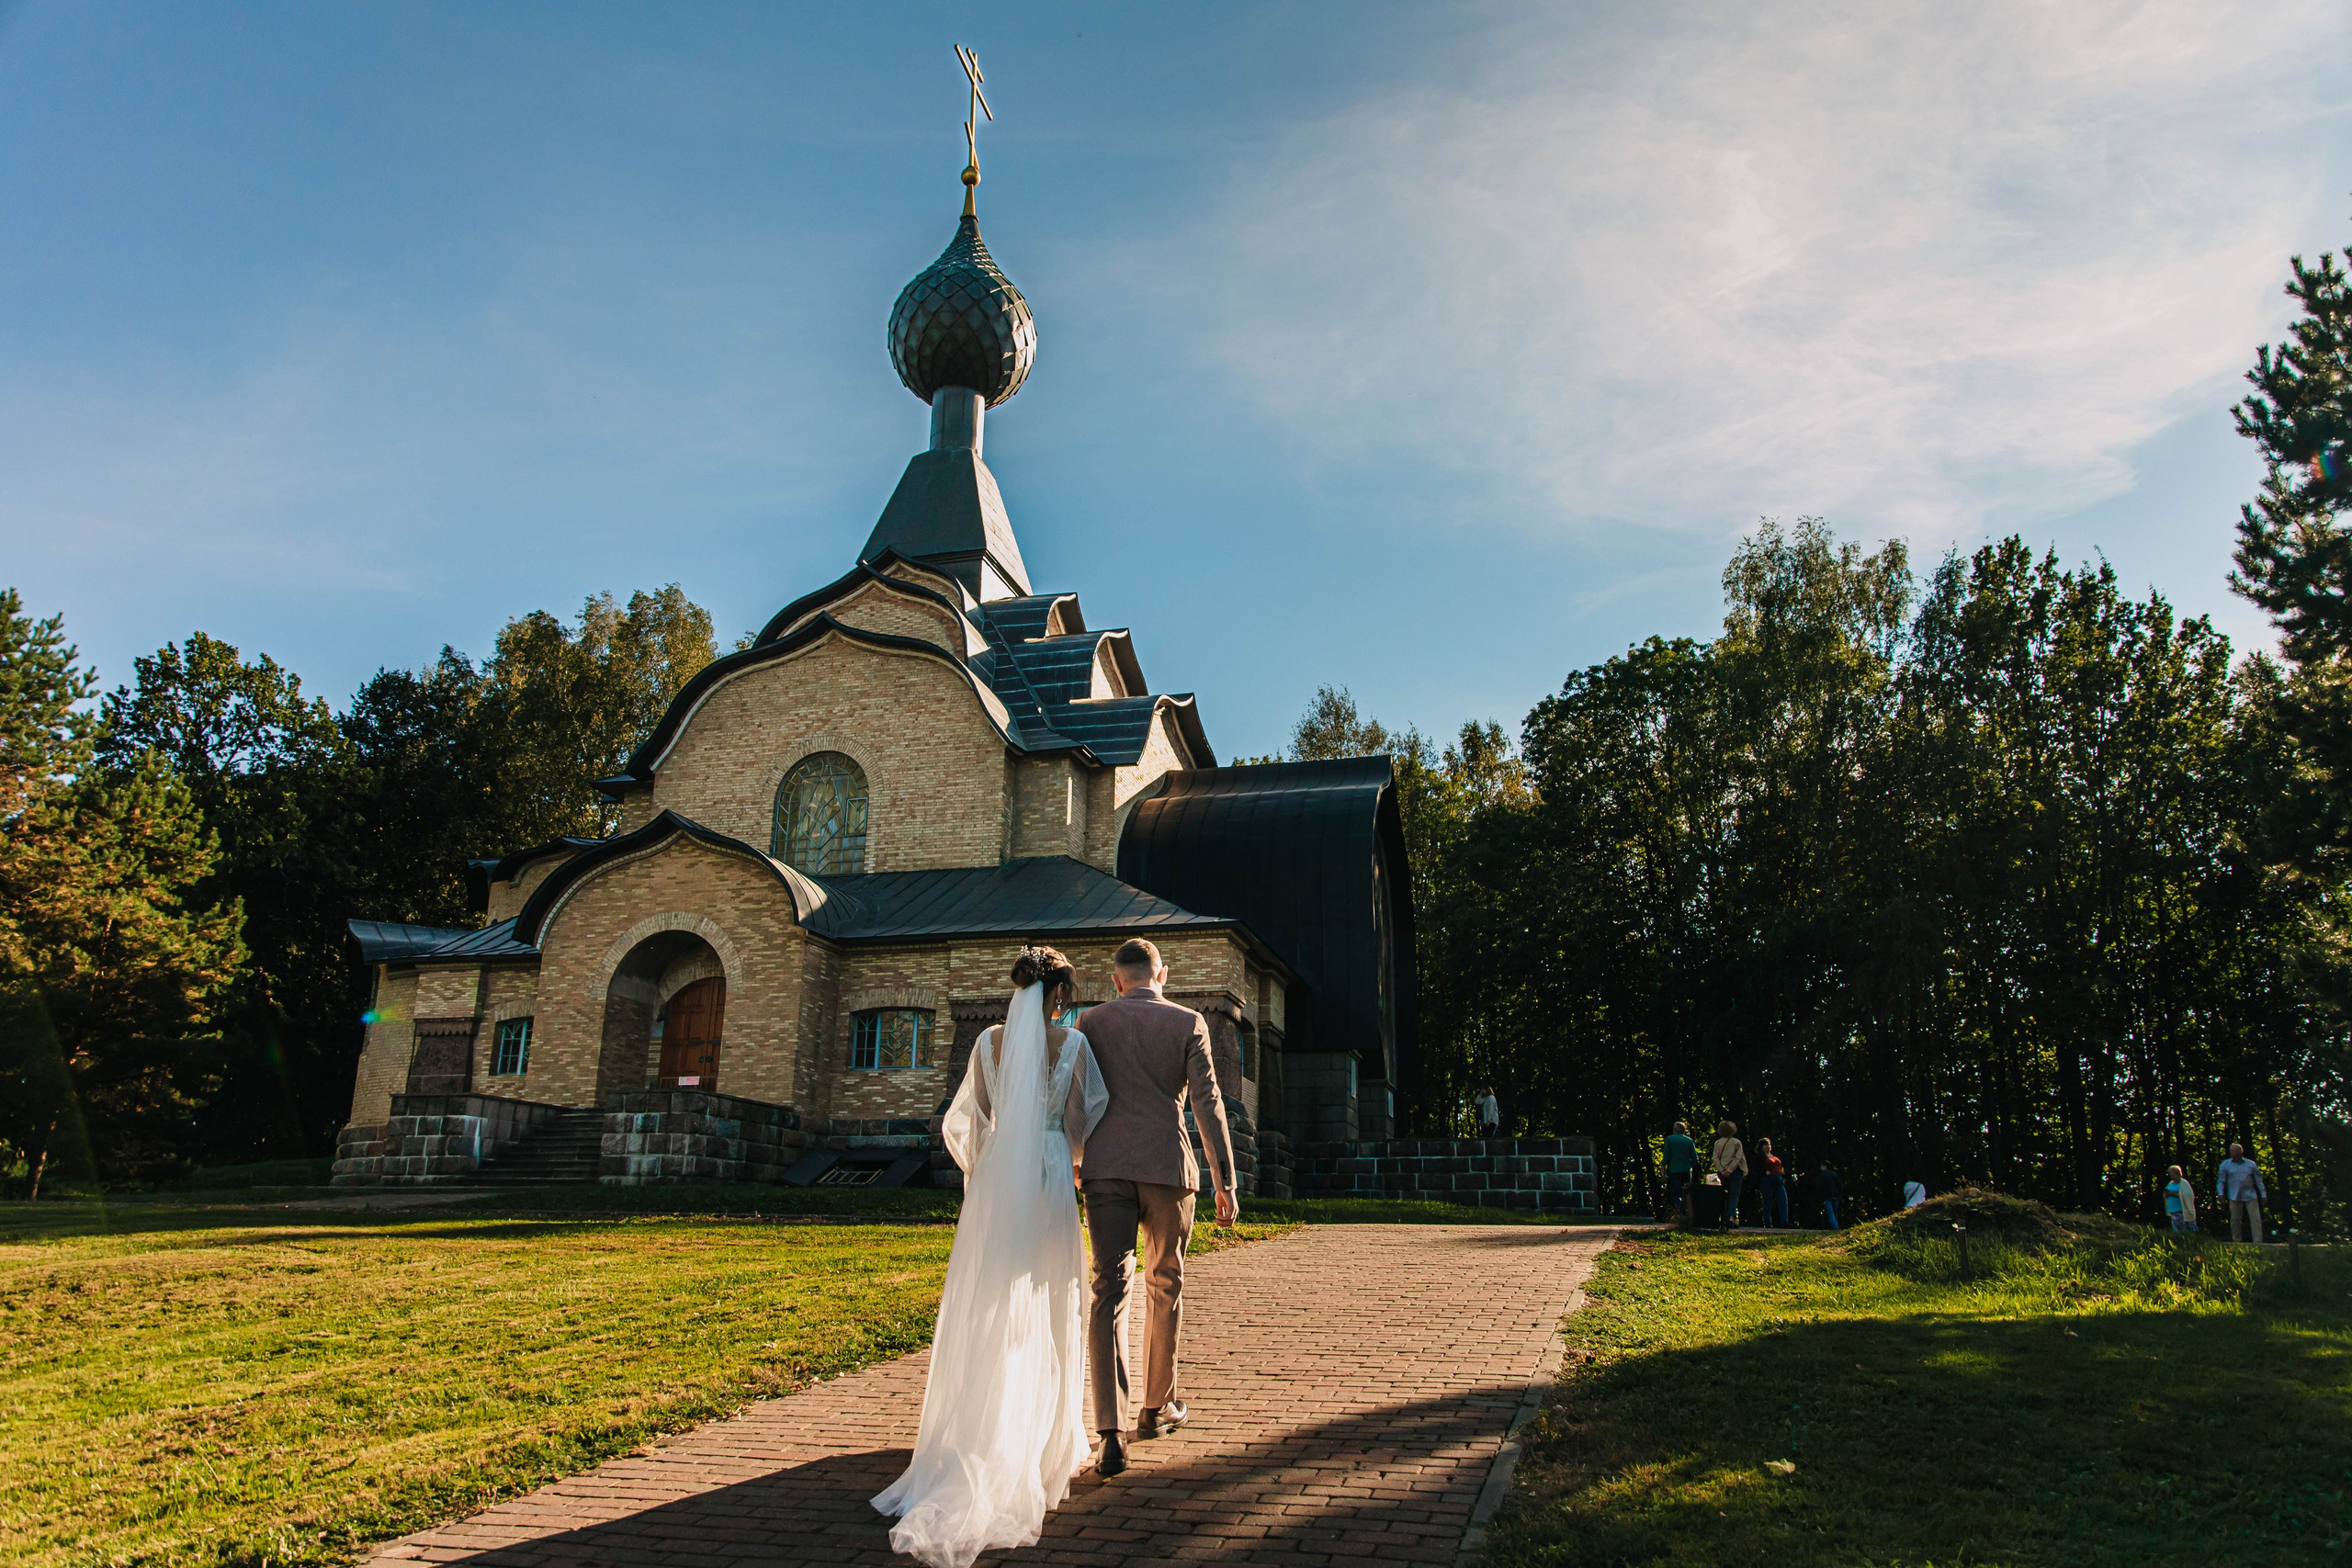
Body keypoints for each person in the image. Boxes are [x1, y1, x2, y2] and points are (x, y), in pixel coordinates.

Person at [874, 946, 1110, 1567]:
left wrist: (986, 1174)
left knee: (991, 1294)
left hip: (999, 1171)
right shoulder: (1074, 1045)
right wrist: (1068, 1160)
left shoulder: (986, 1043)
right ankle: (1047, 1440)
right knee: (1053, 1290)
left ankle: (978, 1428)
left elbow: (972, 1119)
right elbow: (1083, 1121)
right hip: (1050, 1169)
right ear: (1060, 994)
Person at [1075, 937, 1238, 1479]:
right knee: (1165, 1284)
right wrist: (1224, 1179)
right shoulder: (1188, 1022)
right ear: (1161, 975)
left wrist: (1077, 1159)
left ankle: (1108, 1431)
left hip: (1106, 1170)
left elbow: (1079, 1098)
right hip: (1169, 1170)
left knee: (1108, 1291)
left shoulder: (1091, 1023)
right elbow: (1208, 1102)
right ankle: (1155, 1407)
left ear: (1116, 980)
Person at [2216, 1144, 2267, 1243]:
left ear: (2239, 1152)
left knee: (2255, 1218)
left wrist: (2263, 1194)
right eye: (2230, 1151)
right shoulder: (2225, 1165)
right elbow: (2221, 1181)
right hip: (2234, 1195)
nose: (2230, 1153)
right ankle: (2236, 1240)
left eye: (2233, 1151)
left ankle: (2258, 1241)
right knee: (2235, 1219)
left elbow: (2258, 1181)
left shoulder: (2251, 1164)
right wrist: (2220, 1193)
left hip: (2250, 1195)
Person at [1712, 1121, 1747, 1229]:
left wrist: (1721, 1170)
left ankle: (1723, 1217)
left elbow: (1715, 1158)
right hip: (1735, 1171)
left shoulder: (1718, 1143)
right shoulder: (1736, 1142)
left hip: (1722, 1172)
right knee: (1734, 1195)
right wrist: (1730, 1170)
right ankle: (1731, 1217)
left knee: (1724, 1195)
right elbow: (1738, 1158)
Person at [1662, 1121, 1698, 1222]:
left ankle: (1682, 1211)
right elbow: (1695, 1158)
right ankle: (1689, 1213)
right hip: (1686, 1170)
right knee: (1687, 1193)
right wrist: (1690, 1165)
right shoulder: (1689, 1141)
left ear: (1674, 1129)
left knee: (1676, 1193)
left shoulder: (1670, 1139)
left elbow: (1666, 1154)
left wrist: (1663, 1167)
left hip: (1674, 1170)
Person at [1756, 1137, 1789, 1228]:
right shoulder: (1760, 1157)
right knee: (1768, 1201)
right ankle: (1767, 1223)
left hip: (1778, 1179)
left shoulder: (1773, 1156)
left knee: (1783, 1200)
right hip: (1767, 1181)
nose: (1768, 1146)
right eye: (1765, 1145)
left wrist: (1780, 1171)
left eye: (1769, 1145)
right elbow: (1756, 1168)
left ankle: (1784, 1221)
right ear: (1761, 1147)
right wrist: (1764, 1172)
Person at [2164, 1163, 2199, 1235]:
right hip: (2172, 1210)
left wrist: (2174, 1194)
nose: (2172, 1177)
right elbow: (2166, 1193)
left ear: (2178, 1174)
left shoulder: (2184, 1183)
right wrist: (2166, 1193)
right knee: (2176, 1230)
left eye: (2173, 1175)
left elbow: (2188, 1195)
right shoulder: (2170, 1183)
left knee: (2185, 1229)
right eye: (2171, 1175)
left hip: (2181, 1210)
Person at [1815, 1160, 1845, 1230]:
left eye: (1821, 1166)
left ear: (1825, 1166)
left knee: (1831, 1214)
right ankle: (1836, 1227)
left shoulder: (1823, 1175)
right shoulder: (1835, 1175)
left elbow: (1819, 1186)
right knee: (1835, 1213)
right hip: (1836, 1196)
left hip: (1828, 1196)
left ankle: (1835, 1229)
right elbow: (1841, 1186)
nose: (1820, 1167)